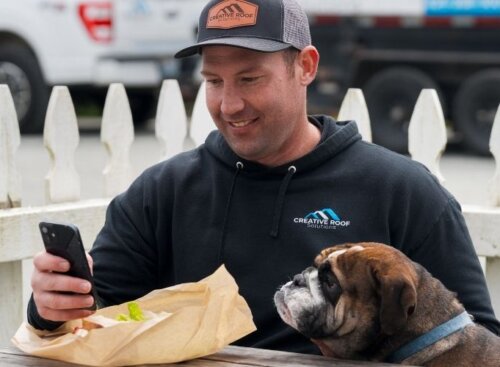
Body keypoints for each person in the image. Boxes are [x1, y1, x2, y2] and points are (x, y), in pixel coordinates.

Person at [29, 0, 499, 355]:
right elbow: (93, 317)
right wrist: (52, 306)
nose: (229, 105)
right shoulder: (162, 193)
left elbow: (478, 345)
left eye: (250, 79)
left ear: (306, 67)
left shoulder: (403, 192)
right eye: (214, 81)